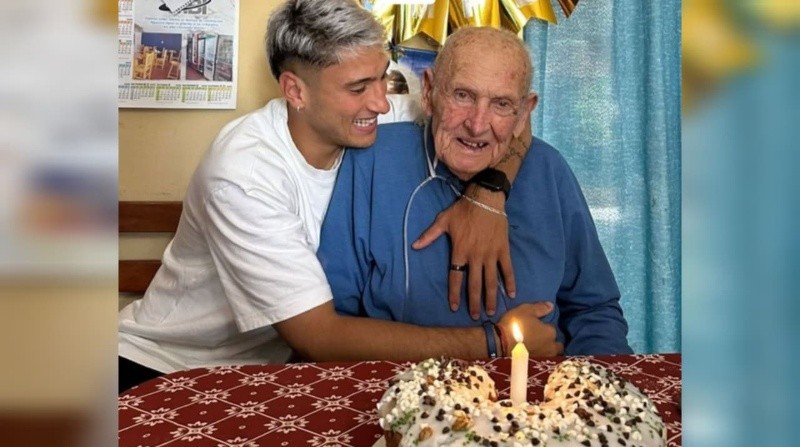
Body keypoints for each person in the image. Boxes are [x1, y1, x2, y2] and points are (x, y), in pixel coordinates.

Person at [118, 0, 558, 394]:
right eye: (357, 88)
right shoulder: (243, 173)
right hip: (166, 369)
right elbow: (317, 334)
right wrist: (495, 342)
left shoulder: (372, 115)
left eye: (382, 80)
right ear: (295, 91)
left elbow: (510, 118)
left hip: (272, 373)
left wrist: (487, 194)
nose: (382, 103)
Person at [318, 26, 633, 356]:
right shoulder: (370, 162)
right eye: (463, 96)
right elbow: (337, 323)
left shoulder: (549, 170)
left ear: (524, 113)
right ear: (428, 92)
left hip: (538, 396)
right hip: (404, 392)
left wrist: (587, 392)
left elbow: (594, 311)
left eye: (501, 104)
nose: (478, 124)